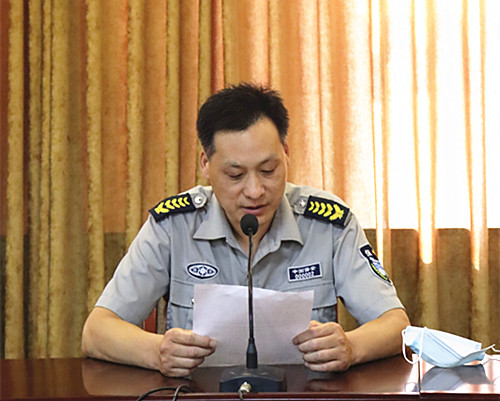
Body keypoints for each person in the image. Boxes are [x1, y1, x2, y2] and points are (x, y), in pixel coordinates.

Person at [82, 82, 410, 377]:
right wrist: (157, 352)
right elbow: (96, 332)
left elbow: (396, 325)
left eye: (268, 170)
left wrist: (351, 347)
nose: (255, 191)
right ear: (206, 164)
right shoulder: (173, 225)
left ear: (286, 155)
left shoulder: (329, 224)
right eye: (235, 175)